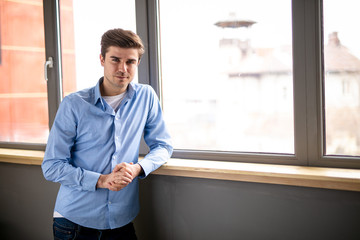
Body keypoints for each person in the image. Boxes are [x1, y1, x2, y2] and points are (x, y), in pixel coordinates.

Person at [42, 28, 173, 239]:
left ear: (137, 63)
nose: (123, 68)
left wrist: (138, 168)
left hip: (122, 219)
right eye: (115, 59)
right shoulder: (74, 104)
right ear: (102, 59)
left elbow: (163, 146)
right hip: (74, 223)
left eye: (130, 61)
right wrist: (102, 180)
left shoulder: (146, 97)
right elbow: (51, 166)